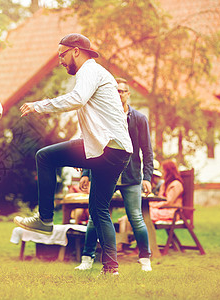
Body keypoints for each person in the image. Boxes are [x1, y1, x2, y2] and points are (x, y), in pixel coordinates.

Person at [14, 33, 133, 275]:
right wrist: (85, 147)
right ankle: (111, 269)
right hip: (115, 150)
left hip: (106, 148)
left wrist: (40, 105)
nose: (60, 60)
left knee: (45, 157)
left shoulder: (89, 70)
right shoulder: (97, 73)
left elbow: (77, 100)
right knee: (99, 209)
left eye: (62, 54)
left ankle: (45, 219)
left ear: (76, 51)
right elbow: (96, 117)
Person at [75, 77, 154, 272]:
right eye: (115, 91)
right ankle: (87, 258)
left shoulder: (140, 119)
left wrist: (147, 177)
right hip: (104, 172)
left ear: (128, 94)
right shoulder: (101, 117)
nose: (118, 94)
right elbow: (91, 144)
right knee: (95, 216)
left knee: (135, 217)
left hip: (131, 176)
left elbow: (147, 150)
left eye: (122, 91)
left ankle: (145, 259)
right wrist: (86, 172)